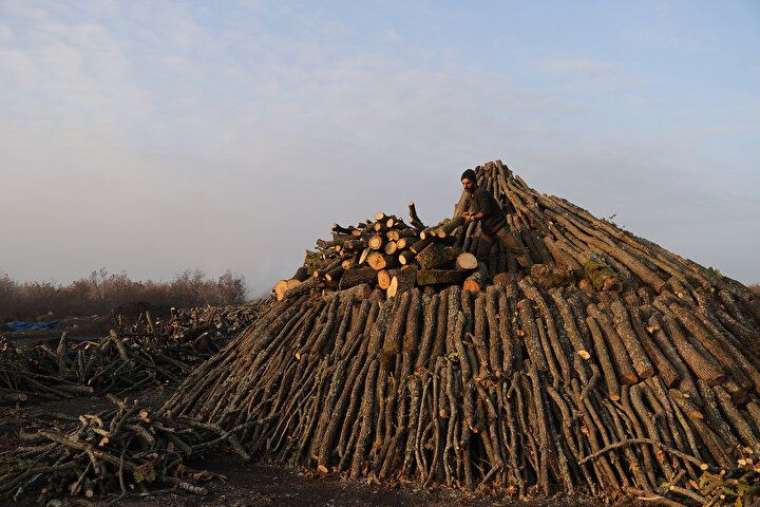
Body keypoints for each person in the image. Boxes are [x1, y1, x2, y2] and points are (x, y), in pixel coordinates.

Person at [456, 169, 531, 268]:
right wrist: (469, 213)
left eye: (468, 183)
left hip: (499, 228)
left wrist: (473, 217)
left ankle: (532, 270)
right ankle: (481, 276)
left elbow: (485, 212)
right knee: (481, 256)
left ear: (474, 182)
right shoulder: (473, 195)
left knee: (517, 250)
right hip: (488, 230)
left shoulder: (481, 193)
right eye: (463, 184)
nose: (465, 186)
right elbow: (479, 210)